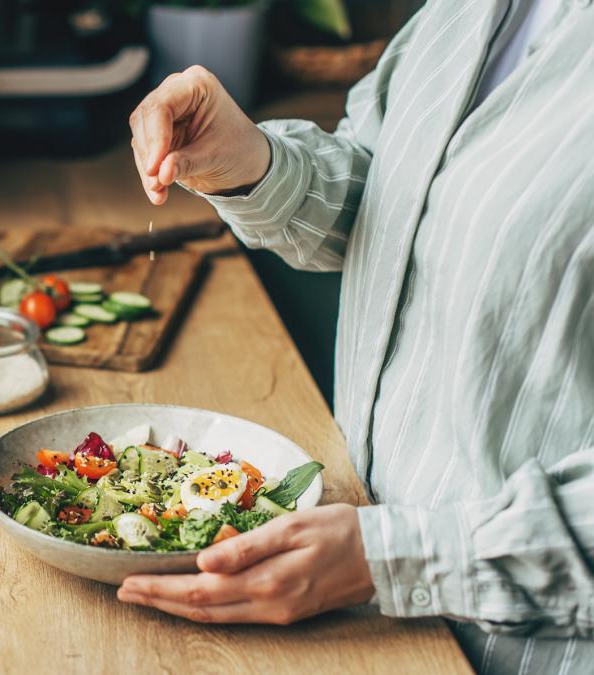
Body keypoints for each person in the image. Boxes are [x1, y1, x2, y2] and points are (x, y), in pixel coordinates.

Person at [118, 0, 593, 673]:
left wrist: (394, 556)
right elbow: (398, 197)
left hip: (520, 648)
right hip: (354, 599)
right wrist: (254, 161)